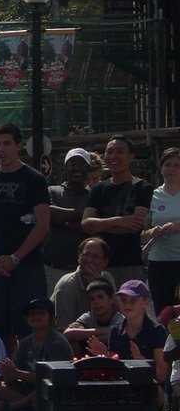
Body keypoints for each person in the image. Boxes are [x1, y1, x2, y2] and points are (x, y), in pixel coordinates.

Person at [0, 123, 50, 344]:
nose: (1, 149)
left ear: (18, 145)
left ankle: (28, 375)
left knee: (31, 327)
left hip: (28, 267)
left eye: (7, 143)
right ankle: (0, 374)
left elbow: (42, 224)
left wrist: (15, 258)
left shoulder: (34, 179)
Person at [0, 298, 72, 411]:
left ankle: (13, 407)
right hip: (27, 388)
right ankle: (29, 407)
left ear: (52, 318)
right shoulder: (25, 343)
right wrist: (7, 373)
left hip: (51, 389)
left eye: (41, 313)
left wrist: (17, 373)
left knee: (43, 389)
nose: (36, 317)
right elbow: (13, 377)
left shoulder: (58, 343)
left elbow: (54, 377)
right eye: (32, 314)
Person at [81, 135, 152, 286]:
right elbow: (87, 224)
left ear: (131, 156)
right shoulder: (98, 189)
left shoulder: (142, 187)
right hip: (99, 265)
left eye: (120, 151)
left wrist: (100, 226)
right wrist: (120, 221)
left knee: (130, 308)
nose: (114, 156)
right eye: (109, 151)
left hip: (129, 264)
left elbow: (135, 226)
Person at [87, 280, 168, 408]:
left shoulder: (157, 331)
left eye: (133, 300)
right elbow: (115, 374)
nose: (127, 304)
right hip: (124, 389)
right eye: (124, 300)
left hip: (152, 389)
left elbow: (161, 376)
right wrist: (105, 357)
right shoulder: (115, 331)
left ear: (145, 302)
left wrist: (141, 363)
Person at [44, 148, 93, 294]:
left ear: (87, 169)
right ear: (65, 167)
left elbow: (93, 226)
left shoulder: (94, 195)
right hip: (53, 268)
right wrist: (82, 214)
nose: (76, 168)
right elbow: (49, 213)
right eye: (72, 164)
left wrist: (62, 221)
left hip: (85, 270)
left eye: (81, 165)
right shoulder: (52, 190)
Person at [142, 147, 180, 314]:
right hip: (159, 262)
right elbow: (141, 234)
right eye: (168, 164)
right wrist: (153, 232)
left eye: (177, 165)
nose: (172, 169)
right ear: (161, 167)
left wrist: (177, 226)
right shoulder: (152, 196)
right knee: (163, 312)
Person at [51, 237, 116, 330]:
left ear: (105, 262)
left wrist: (101, 285)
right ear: (79, 258)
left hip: (99, 335)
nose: (89, 260)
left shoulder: (107, 278)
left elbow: (118, 313)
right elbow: (64, 331)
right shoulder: (67, 286)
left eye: (95, 256)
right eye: (85, 255)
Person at [63, 278, 121, 356]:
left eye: (100, 297)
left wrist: (85, 339)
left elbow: (121, 336)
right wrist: (104, 331)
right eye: (92, 299)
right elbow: (67, 334)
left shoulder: (119, 318)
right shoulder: (89, 316)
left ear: (112, 299)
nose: (96, 302)